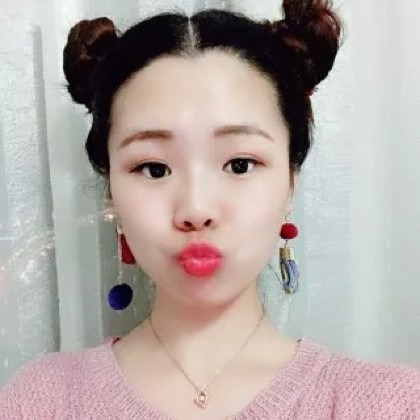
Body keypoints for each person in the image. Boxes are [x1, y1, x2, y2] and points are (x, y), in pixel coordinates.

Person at [1, 0, 419, 418]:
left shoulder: (390, 405)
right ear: (111, 190)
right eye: (154, 168)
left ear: (290, 181)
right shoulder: (39, 402)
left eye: (239, 164)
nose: (196, 209)